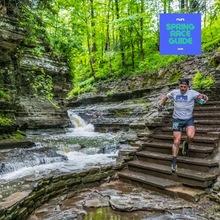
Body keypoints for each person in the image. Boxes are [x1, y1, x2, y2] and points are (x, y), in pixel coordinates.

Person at [157, 78, 208, 173]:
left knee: (191, 136)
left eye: (184, 87)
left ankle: (186, 143)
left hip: (188, 119)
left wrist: (203, 97)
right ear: (179, 86)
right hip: (176, 120)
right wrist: (160, 105)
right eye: (181, 86)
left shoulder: (192, 93)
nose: (182, 88)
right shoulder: (174, 92)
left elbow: (205, 98)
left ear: (188, 87)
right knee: (176, 141)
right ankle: (174, 162)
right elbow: (166, 97)